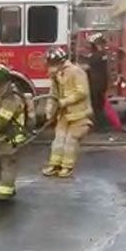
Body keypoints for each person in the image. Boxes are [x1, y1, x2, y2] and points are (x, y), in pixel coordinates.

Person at [0, 64, 30, 202]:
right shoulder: (4, 95)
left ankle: (4, 193)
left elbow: (0, 122)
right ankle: (3, 188)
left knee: (7, 165)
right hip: (3, 139)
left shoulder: (11, 99)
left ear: (0, 83)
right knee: (0, 164)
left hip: (10, 139)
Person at [42, 47, 93, 178]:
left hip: (79, 114)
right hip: (64, 114)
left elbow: (82, 92)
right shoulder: (56, 75)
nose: (50, 67)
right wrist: (49, 111)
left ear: (60, 62)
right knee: (58, 140)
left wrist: (64, 102)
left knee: (71, 141)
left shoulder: (76, 72)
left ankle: (67, 167)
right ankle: (54, 164)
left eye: (52, 64)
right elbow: (53, 94)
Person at [84, 33, 110, 129]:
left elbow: (88, 66)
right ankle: (101, 125)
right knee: (99, 105)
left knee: (97, 105)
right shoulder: (102, 54)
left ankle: (102, 126)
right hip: (101, 83)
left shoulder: (97, 56)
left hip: (96, 84)